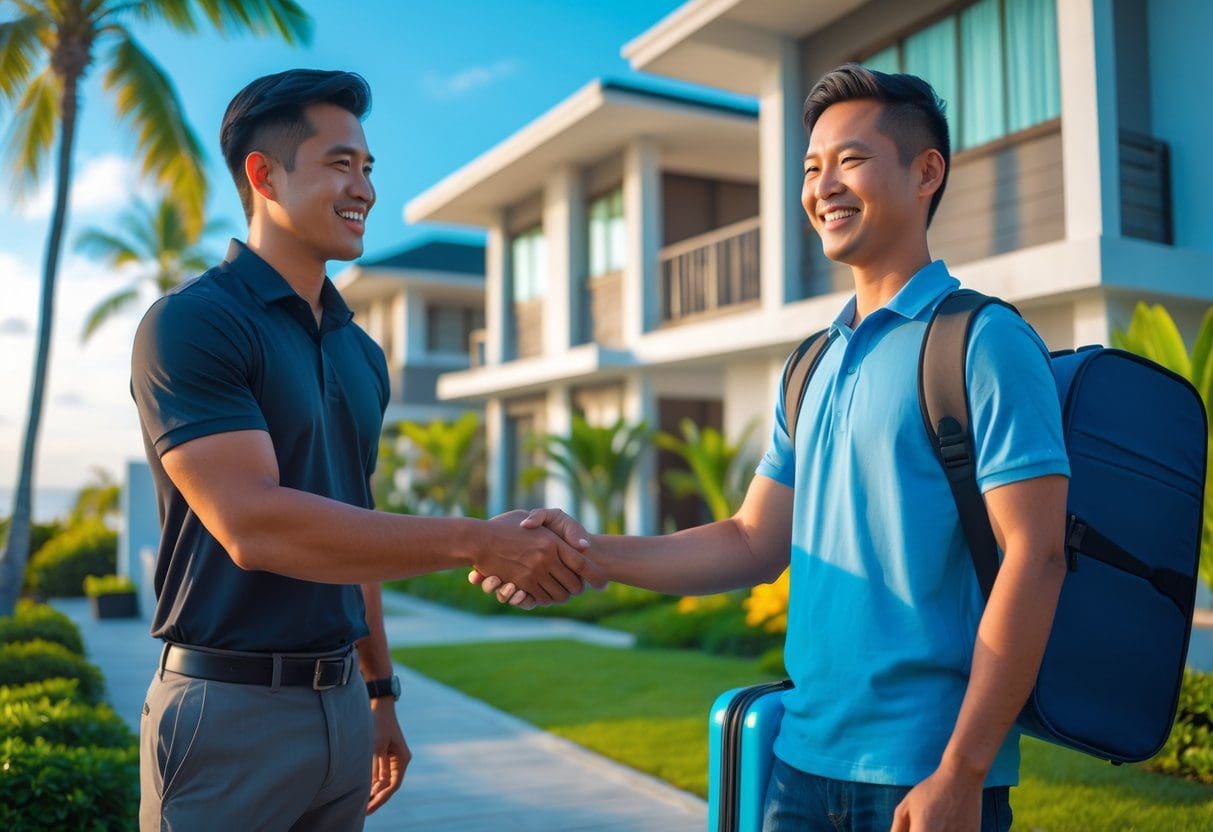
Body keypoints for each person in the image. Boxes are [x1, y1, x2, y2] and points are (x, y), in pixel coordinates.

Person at [474, 65, 1070, 832]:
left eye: (850, 160)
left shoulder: (982, 342)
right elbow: (752, 542)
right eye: (811, 168)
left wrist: (961, 771)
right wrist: (586, 553)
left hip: (924, 773)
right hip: (799, 763)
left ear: (927, 172)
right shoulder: (810, 363)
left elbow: (1036, 556)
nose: (822, 186)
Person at [129, 69, 602, 832]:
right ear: (264, 175)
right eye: (340, 164)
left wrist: (378, 692)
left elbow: (358, 526)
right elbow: (255, 525)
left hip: (342, 710)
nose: (366, 189)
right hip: (226, 712)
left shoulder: (361, 353)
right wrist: (475, 540)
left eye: (369, 167)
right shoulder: (192, 325)